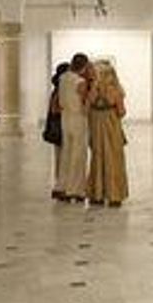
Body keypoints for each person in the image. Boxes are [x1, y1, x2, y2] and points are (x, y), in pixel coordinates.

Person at [86, 60, 129, 207]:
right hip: (112, 127)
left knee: (97, 158)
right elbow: (121, 112)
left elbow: (87, 107)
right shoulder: (116, 90)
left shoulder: (93, 90)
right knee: (114, 159)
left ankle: (96, 195)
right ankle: (114, 195)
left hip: (96, 127)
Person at [54, 53, 92, 202]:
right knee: (78, 153)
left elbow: (59, 100)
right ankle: (75, 190)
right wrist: (92, 91)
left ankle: (61, 186)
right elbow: (84, 106)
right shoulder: (80, 81)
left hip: (65, 118)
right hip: (78, 119)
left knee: (66, 153)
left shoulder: (63, 78)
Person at [47, 61, 69, 199]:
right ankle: (61, 186)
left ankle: (61, 185)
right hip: (60, 128)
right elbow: (55, 109)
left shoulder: (58, 88)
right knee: (62, 158)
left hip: (59, 127)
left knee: (61, 157)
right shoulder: (59, 90)